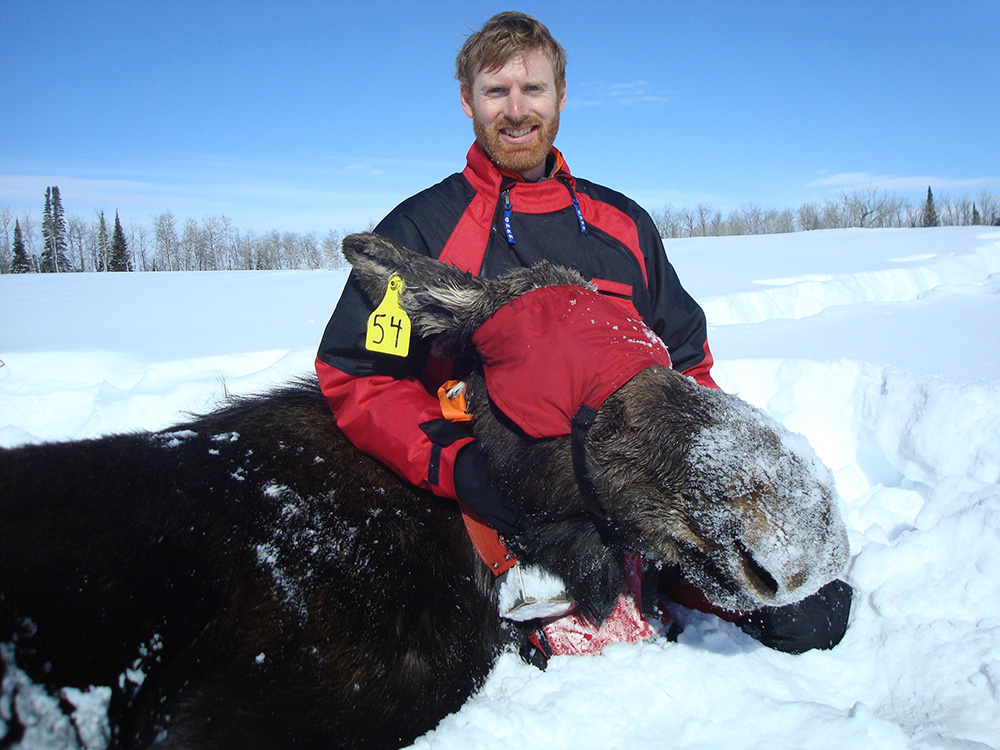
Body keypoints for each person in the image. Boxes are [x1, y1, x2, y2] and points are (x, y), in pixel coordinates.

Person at [316, 11, 850, 655]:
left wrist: (689, 473)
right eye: (496, 92)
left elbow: (685, 360)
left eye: (534, 90)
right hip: (501, 504)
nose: (517, 110)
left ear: (562, 96)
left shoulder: (621, 224)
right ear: (468, 101)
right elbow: (359, 377)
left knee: (807, 618)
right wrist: (458, 468)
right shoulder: (422, 228)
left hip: (634, 492)